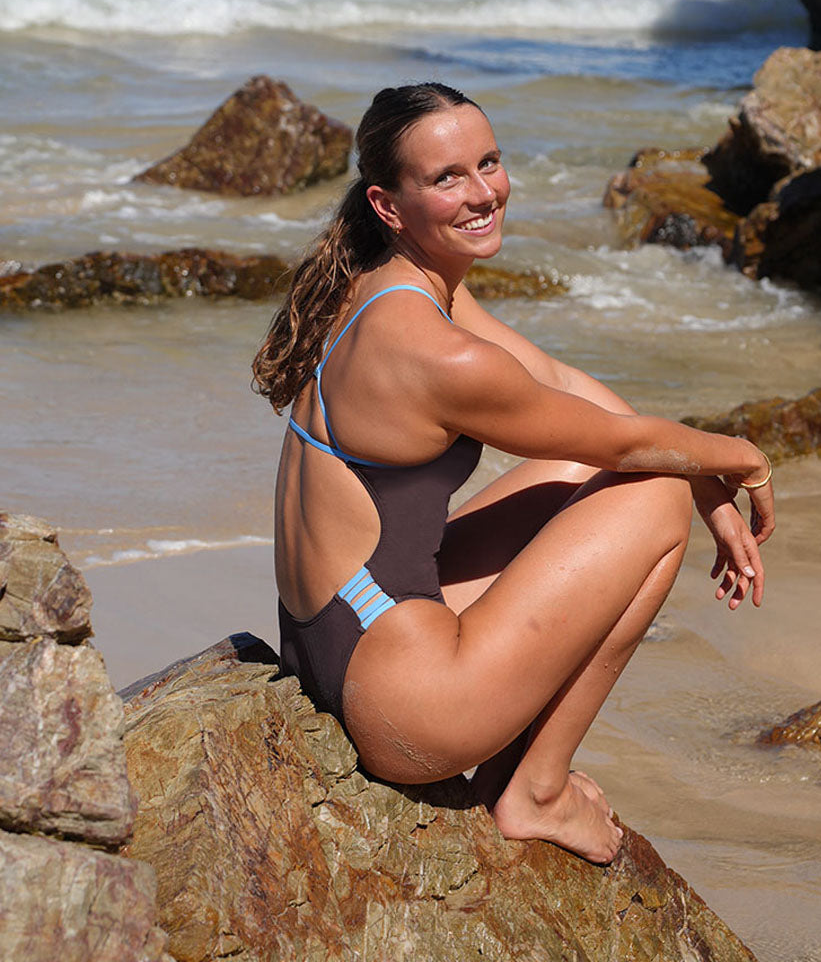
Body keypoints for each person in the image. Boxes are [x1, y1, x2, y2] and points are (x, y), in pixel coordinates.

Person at [252, 82, 774, 865]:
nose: (483, 191)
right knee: (655, 497)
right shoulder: (443, 353)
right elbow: (632, 452)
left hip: (333, 639)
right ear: (388, 204)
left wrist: (711, 486)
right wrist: (744, 462)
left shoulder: (379, 286)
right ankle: (535, 792)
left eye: (488, 162)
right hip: (404, 707)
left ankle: (505, 757)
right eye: (447, 177)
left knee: (579, 464)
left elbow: (567, 391)